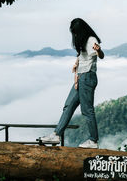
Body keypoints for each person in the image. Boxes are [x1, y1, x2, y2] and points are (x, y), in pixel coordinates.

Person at [41, 18, 104, 148]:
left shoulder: (91, 40)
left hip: (87, 77)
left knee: (87, 111)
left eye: (75, 32)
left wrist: (98, 50)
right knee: (68, 106)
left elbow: (100, 55)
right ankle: (56, 135)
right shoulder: (82, 40)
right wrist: (76, 66)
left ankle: (93, 141)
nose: (74, 35)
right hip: (81, 78)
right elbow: (81, 57)